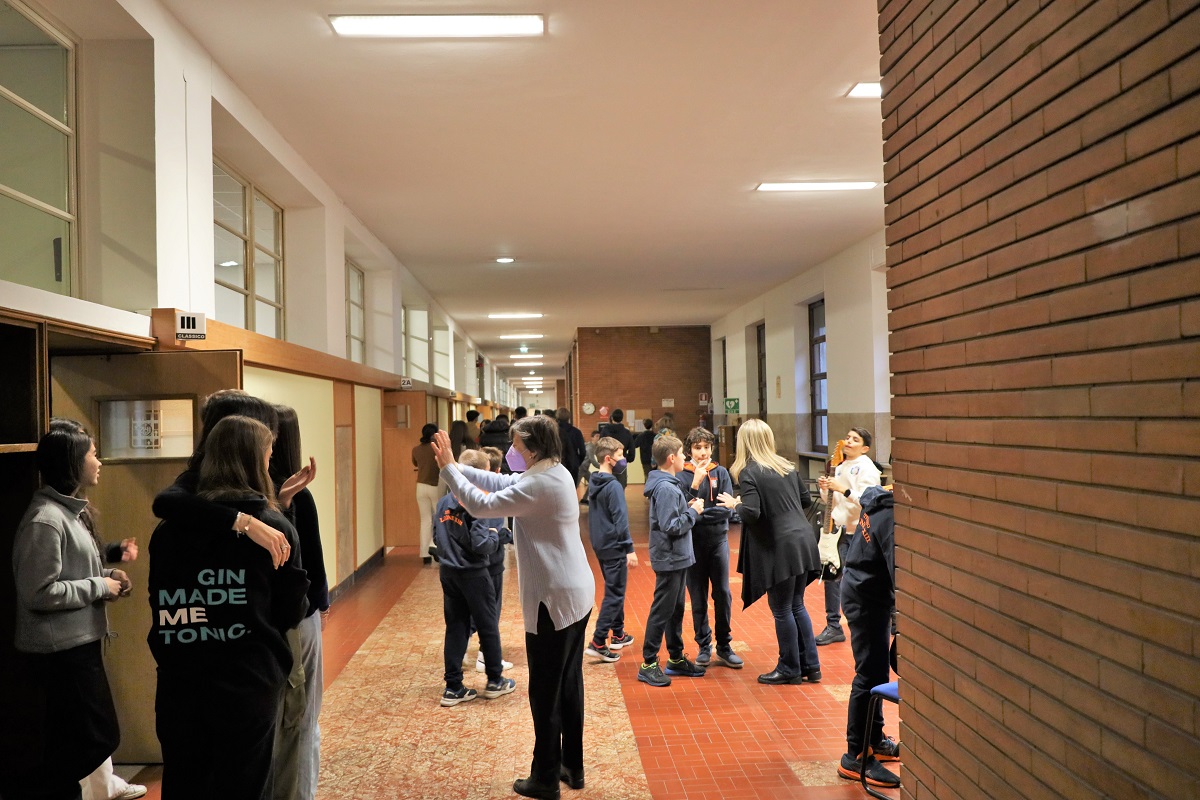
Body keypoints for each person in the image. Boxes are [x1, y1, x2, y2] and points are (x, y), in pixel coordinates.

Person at [431, 416, 594, 800]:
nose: (511, 451)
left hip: (553, 600)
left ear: (533, 449)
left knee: (545, 692)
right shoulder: (555, 472)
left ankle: (545, 778)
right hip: (575, 593)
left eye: (516, 445)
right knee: (568, 685)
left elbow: (482, 505)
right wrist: (458, 467)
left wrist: (449, 471)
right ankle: (572, 766)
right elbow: (503, 483)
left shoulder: (539, 484)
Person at [148, 415, 310, 800]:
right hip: (248, 683)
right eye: (267, 456)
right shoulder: (272, 530)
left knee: (185, 784)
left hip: (181, 681)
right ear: (254, 461)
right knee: (245, 786)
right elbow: (291, 613)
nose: (270, 465)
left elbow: (156, 597)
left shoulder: (170, 530)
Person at [12, 421, 129, 800]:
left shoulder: (69, 512)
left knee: (79, 741)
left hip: (77, 642)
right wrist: (99, 586)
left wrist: (108, 576)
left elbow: (71, 571)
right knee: (90, 739)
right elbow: (38, 592)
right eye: (92, 454)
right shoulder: (46, 520)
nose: (99, 461)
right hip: (60, 650)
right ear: (72, 463)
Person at [717, 419, 821, 685]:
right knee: (797, 604)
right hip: (804, 539)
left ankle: (789, 668)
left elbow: (752, 513)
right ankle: (810, 666)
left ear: (744, 442)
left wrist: (735, 504)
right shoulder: (787, 466)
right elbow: (805, 500)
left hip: (781, 546)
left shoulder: (749, 472)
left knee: (782, 609)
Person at [152, 390, 298, 569]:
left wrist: (283, 504)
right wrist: (244, 522)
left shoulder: (275, 484)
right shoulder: (196, 481)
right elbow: (165, 502)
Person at [268, 405, 330, 800]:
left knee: (286, 718)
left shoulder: (267, 495)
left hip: (278, 615)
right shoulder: (291, 496)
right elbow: (312, 560)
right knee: (304, 716)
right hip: (298, 615)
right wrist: (322, 603)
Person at [433, 449, 515, 707]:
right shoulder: (478, 504)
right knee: (488, 625)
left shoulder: (444, 502)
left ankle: (453, 686)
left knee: (456, 627)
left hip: (449, 573)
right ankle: (495, 680)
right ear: (479, 474)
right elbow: (482, 544)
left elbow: (437, 537)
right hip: (475, 574)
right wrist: (498, 536)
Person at [836, 486, 901, 789]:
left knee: (877, 671)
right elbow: (900, 574)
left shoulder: (881, 500)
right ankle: (856, 754)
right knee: (868, 674)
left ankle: (875, 739)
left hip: (864, 589)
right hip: (865, 598)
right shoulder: (892, 515)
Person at [638, 435, 707, 688]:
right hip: (670, 557)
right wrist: (693, 512)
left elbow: (672, 515)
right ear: (671, 458)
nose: (684, 458)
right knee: (662, 611)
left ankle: (676, 658)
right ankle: (648, 664)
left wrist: (686, 506)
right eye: (681, 454)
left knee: (675, 609)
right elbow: (671, 526)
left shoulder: (669, 483)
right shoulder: (666, 488)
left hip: (677, 556)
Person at [678, 427, 742, 669]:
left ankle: (724, 645)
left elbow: (726, 510)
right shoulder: (682, 476)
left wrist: (699, 513)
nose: (703, 452)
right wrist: (696, 512)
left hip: (718, 542)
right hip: (692, 544)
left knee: (723, 593)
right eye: (697, 448)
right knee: (698, 596)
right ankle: (704, 645)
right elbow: (683, 509)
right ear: (689, 450)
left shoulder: (721, 472)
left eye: (706, 447)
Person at [815, 428, 882, 646]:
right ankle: (833, 625)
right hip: (838, 532)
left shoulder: (867, 468)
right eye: (848, 438)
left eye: (855, 439)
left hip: (858, 533)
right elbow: (831, 502)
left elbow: (869, 501)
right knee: (831, 577)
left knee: (859, 582)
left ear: (865, 448)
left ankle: (869, 622)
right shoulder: (841, 466)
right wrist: (826, 489)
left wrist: (844, 490)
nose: (849, 442)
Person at [584, 437, 637, 663]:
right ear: (608, 458)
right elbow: (620, 519)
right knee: (615, 594)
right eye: (620, 455)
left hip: (600, 544)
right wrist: (629, 548)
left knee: (614, 587)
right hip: (614, 545)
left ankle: (618, 633)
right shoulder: (614, 486)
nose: (624, 459)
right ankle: (598, 641)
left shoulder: (595, 481)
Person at [467, 446, 514, 674]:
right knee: (491, 610)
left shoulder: (460, 496)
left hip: (468, 565)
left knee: (470, 610)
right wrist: (504, 535)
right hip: (491, 563)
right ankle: (486, 656)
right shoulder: (491, 499)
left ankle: (462, 651)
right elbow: (492, 534)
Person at [413, 423, 442, 564]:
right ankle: (435, 546)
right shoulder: (436, 449)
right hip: (435, 486)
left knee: (425, 520)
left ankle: (424, 554)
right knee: (440, 518)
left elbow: (415, 464)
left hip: (420, 486)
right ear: (434, 435)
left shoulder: (416, 449)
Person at [598, 409, 634, 488]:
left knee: (606, 486)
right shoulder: (626, 432)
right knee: (621, 486)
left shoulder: (605, 431)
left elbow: (600, 446)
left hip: (607, 461)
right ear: (622, 418)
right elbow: (632, 450)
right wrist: (627, 458)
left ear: (612, 418)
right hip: (621, 462)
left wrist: (600, 460)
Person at [555, 408, 587, 485]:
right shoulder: (576, 432)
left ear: (557, 416)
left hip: (557, 464)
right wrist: (577, 462)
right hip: (573, 464)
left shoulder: (554, 431)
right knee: (572, 487)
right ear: (569, 417)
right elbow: (582, 451)